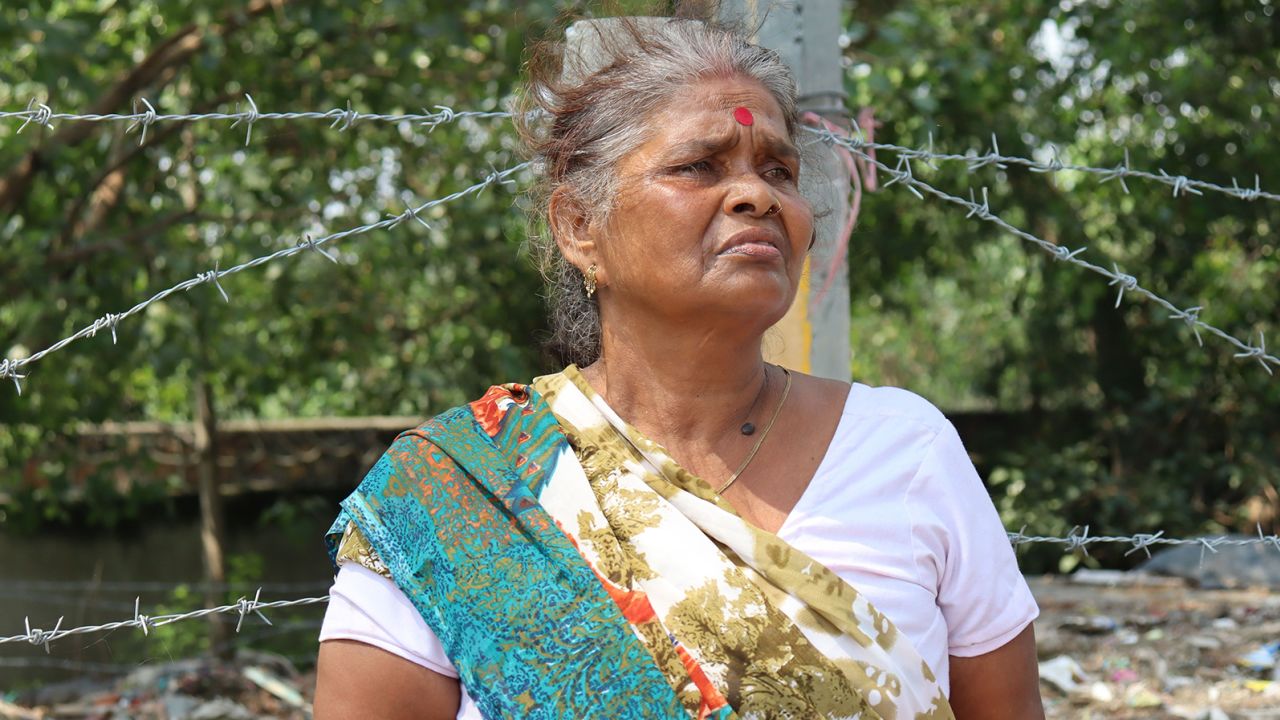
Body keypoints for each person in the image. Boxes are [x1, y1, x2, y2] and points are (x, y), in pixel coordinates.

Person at [314, 11, 1044, 720]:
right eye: (699, 166)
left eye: (779, 170)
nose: (758, 195)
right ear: (578, 227)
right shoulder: (459, 494)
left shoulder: (905, 450)